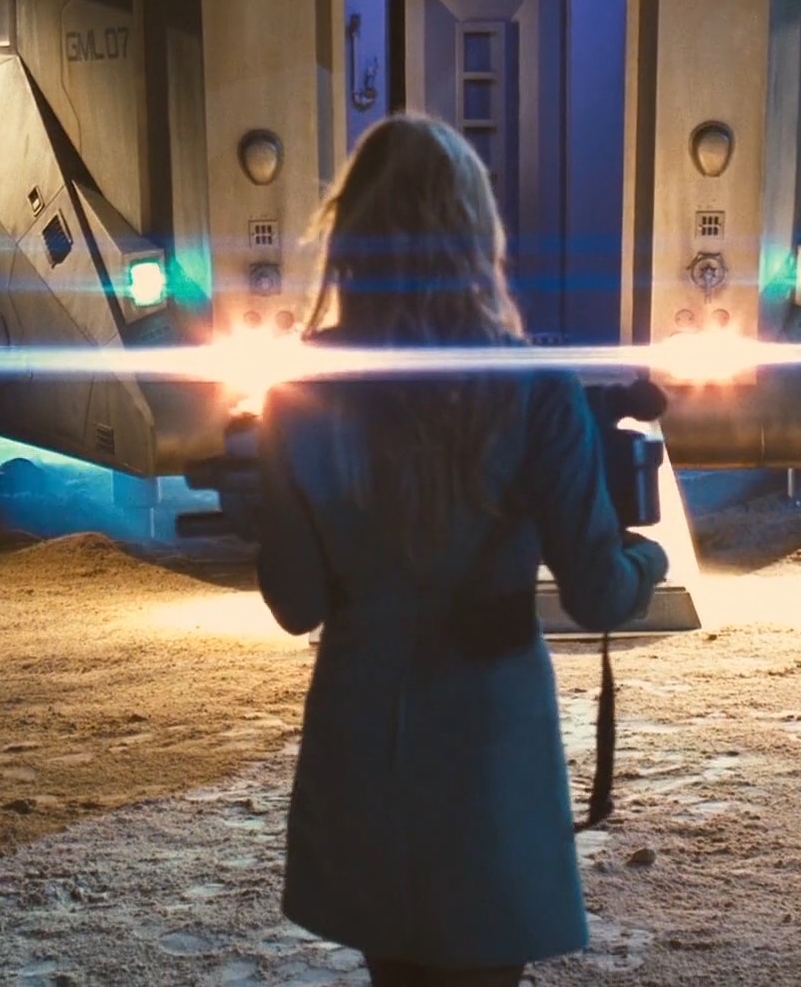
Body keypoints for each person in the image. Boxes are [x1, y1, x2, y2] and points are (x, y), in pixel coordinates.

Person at [250, 112, 671, 987]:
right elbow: (598, 591)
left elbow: (295, 603)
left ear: (351, 237)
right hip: (488, 737)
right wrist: (649, 559)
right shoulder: (536, 389)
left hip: (362, 727)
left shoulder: (294, 395)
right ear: (476, 238)